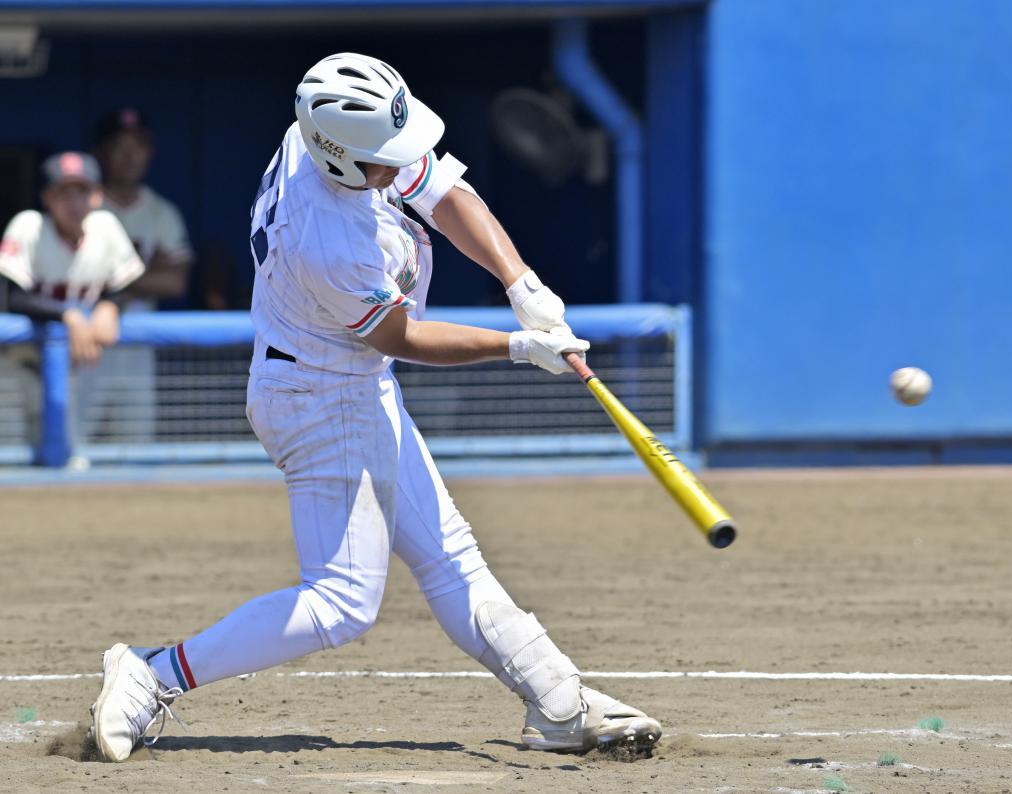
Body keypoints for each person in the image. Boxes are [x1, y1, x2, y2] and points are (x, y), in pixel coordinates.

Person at [88, 53, 661, 763]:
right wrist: (516, 347)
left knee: (453, 558)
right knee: (340, 602)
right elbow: (401, 335)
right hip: (321, 397)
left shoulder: (332, 139)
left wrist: (523, 284)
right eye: (382, 160)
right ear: (342, 163)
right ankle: (151, 673)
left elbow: (444, 193)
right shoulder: (330, 236)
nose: (400, 164)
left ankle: (557, 701)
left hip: (347, 382)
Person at [0, 152, 145, 452]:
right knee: (10, 452)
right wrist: (69, 314)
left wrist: (110, 306)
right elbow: (13, 298)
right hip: (16, 364)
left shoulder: (105, 227)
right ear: (47, 198)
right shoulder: (29, 226)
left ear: (96, 197)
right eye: (64, 193)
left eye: (82, 192)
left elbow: (127, 286)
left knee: (75, 454)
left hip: (76, 366)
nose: (73, 203)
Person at [92, 108, 195, 442]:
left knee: (133, 452)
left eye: (138, 146)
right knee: (74, 452)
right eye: (120, 146)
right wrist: (147, 271)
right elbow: (81, 280)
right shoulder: (83, 207)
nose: (130, 156)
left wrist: (114, 277)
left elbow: (176, 282)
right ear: (102, 154)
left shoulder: (161, 213)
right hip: (86, 344)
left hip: (138, 348)